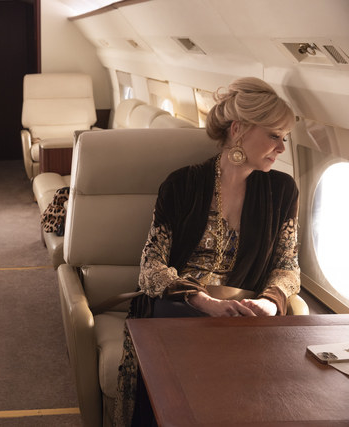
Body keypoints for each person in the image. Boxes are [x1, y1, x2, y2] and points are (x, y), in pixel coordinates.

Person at [113, 77, 301, 426]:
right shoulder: (182, 184)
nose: (282, 148)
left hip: (240, 316)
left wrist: (270, 301)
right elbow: (151, 267)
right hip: (179, 306)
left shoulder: (283, 190)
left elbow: (287, 265)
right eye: (274, 135)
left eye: (285, 138)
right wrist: (203, 302)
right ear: (239, 129)